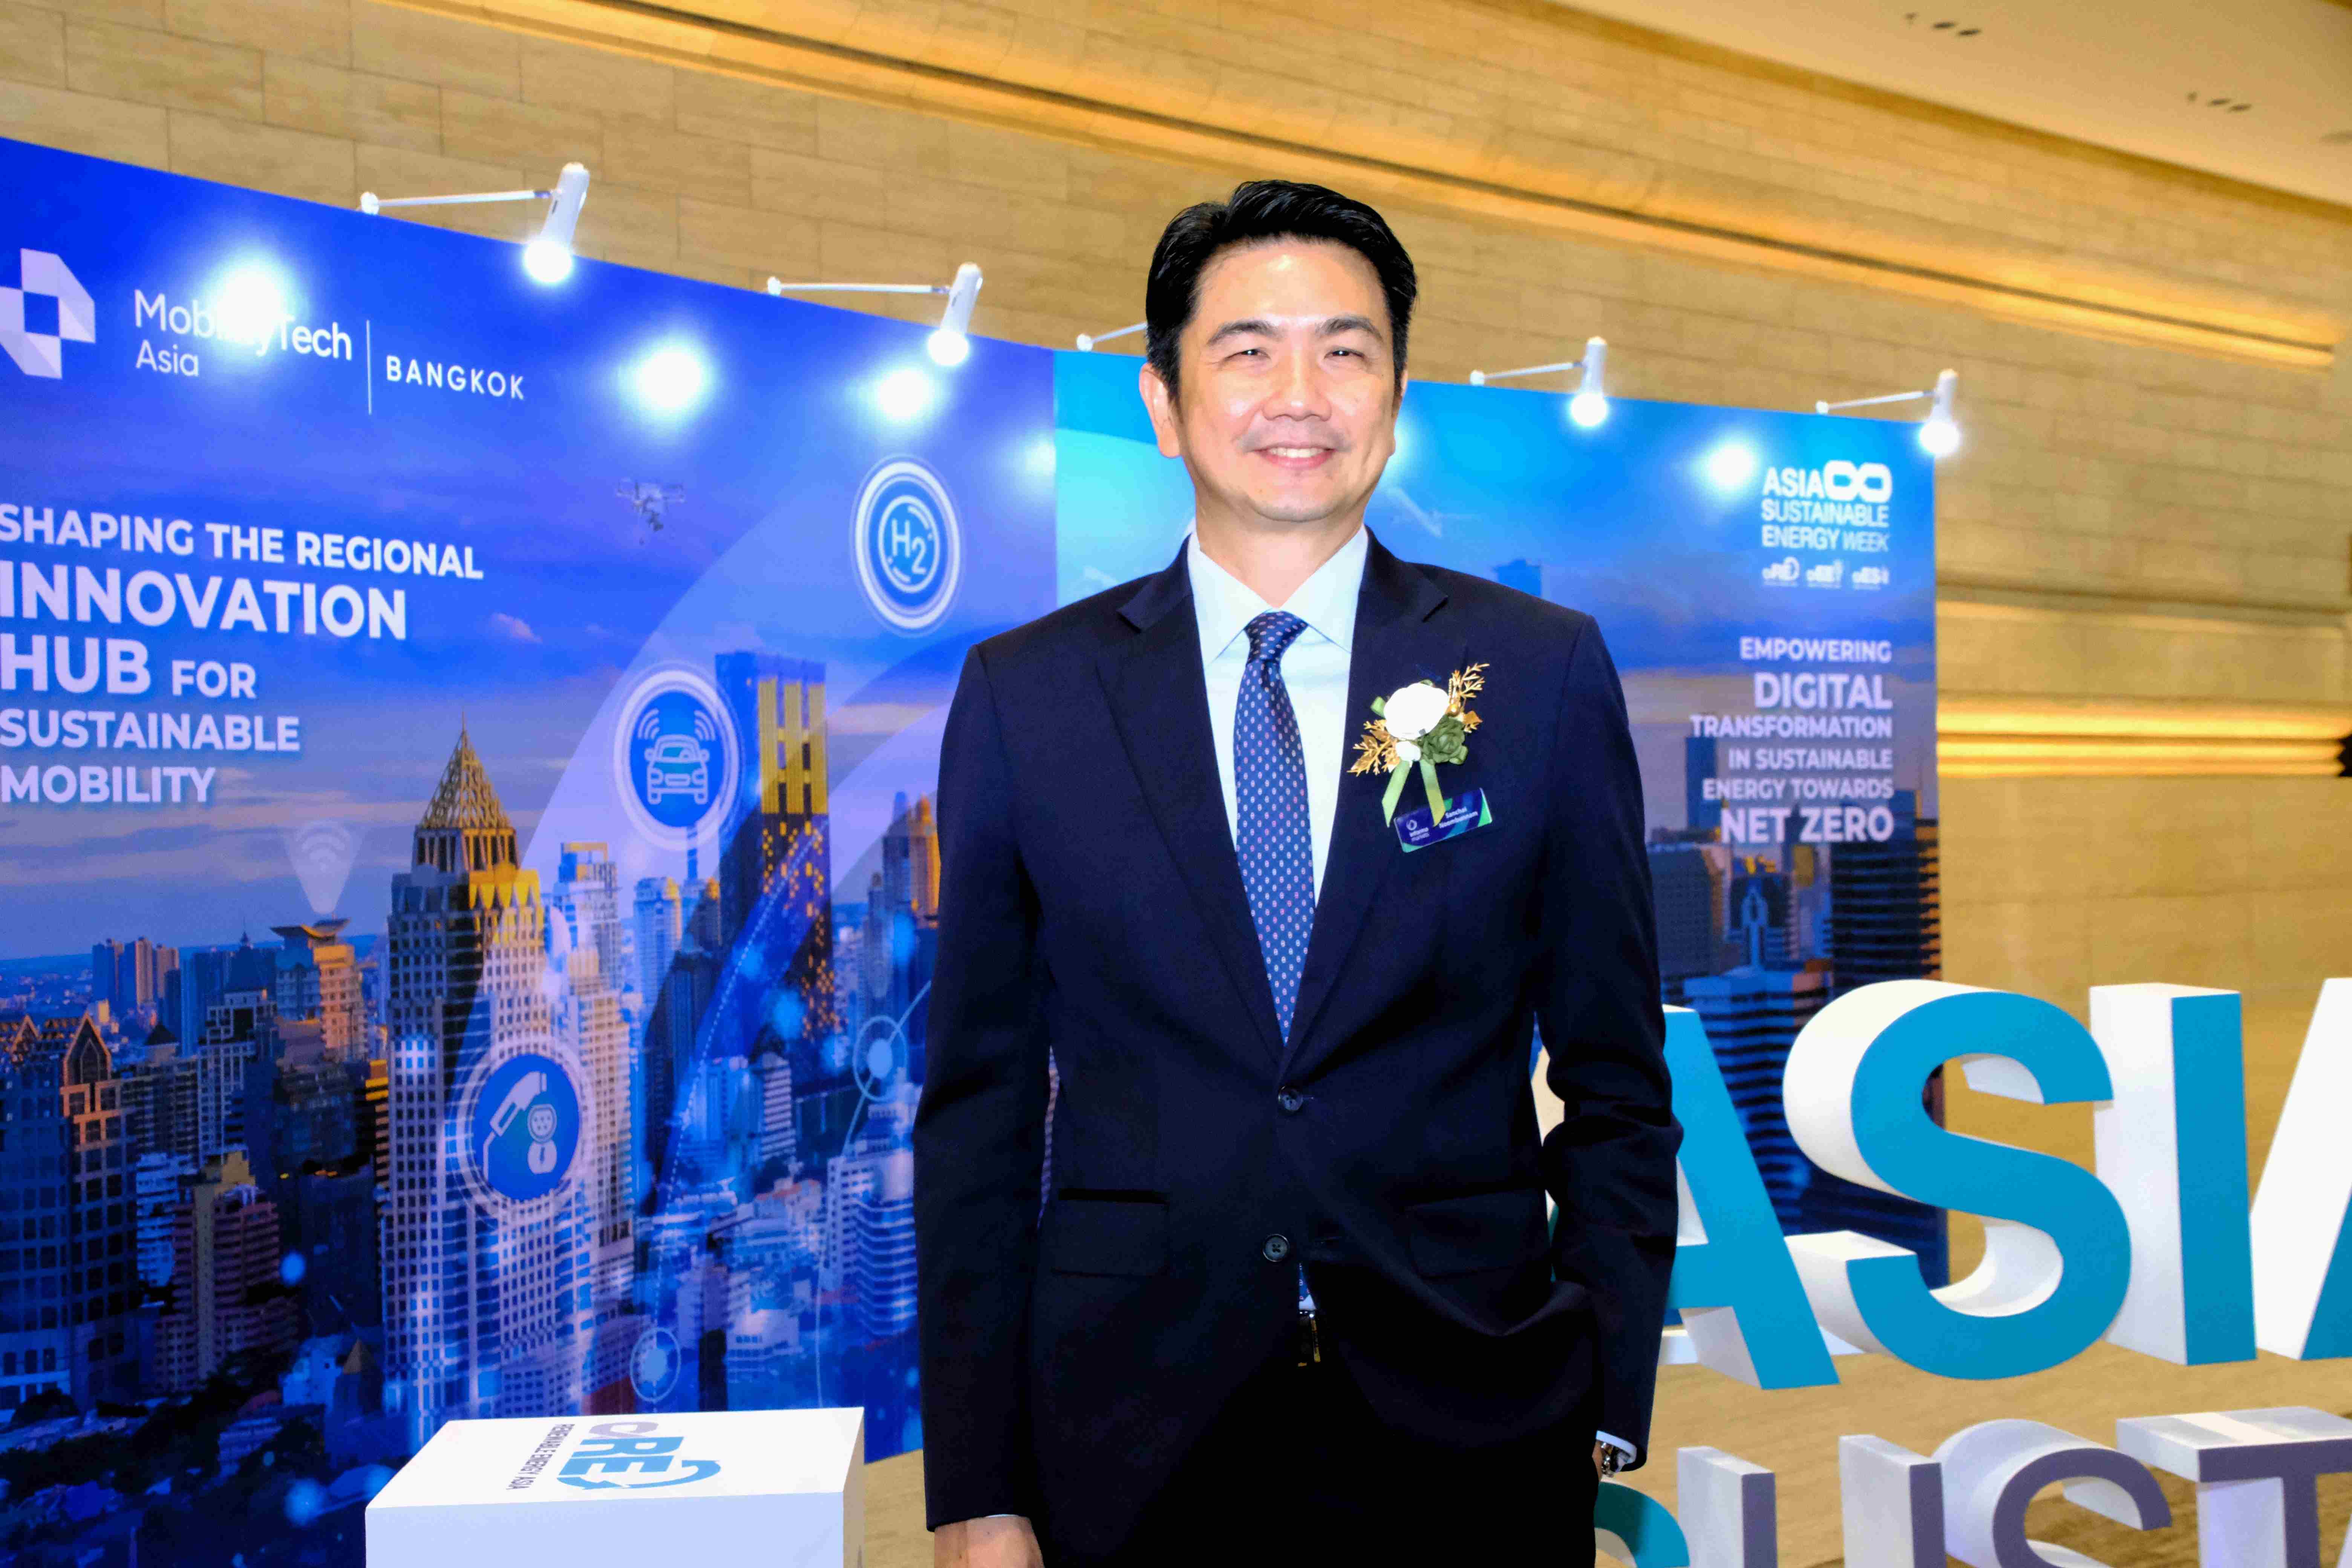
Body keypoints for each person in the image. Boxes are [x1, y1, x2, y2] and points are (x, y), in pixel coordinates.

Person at [913, 179, 1679, 1568]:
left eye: (1346, 350)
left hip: (1478, 1422)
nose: (1300, 395)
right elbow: (978, 1115)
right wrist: (980, 1487)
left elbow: (1618, 1078)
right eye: (1248, 350)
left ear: (1395, 397)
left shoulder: (1537, 673)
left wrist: (1603, 1388)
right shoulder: (1031, 695)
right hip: (1126, 1433)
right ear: (1163, 401)